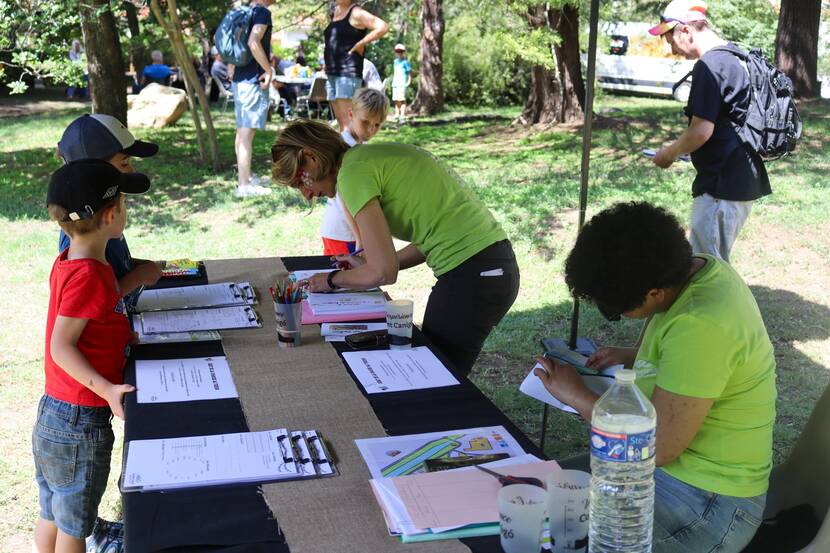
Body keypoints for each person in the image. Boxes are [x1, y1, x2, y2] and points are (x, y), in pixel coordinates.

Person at [533, 202, 775, 552]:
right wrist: (637, 354)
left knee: (553, 536)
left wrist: (577, 396)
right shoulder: (697, 269)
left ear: (655, 293)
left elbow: (657, 447)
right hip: (674, 480)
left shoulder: (700, 325)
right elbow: (700, 359)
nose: (615, 313)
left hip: (707, 500)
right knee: (531, 495)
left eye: (616, 310)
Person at [271, 120, 519, 375]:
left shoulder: (352, 173)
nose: (306, 194)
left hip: (474, 276)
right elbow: (432, 238)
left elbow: (383, 273)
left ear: (311, 157)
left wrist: (331, 280)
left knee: (433, 376)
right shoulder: (366, 159)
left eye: (300, 181)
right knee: (437, 372)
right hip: (491, 266)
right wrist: (371, 265)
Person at [35, 159, 150, 553]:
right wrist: (106, 389)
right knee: (74, 527)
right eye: (124, 203)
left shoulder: (71, 262)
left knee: (52, 513)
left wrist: (118, 336)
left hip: (55, 414)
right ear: (112, 215)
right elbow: (61, 345)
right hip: (79, 421)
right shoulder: (89, 274)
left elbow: (90, 321)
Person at [649, 0, 769, 262]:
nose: (672, 50)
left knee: (707, 267)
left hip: (721, 185)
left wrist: (669, 153)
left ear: (686, 31)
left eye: (670, 41)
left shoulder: (709, 65)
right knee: (714, 263)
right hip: (741, 178)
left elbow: (701, 131)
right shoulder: (734, 57)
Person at [57, 114, 163, 305]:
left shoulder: (99, 215)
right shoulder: (80, 234)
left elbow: (110, 267)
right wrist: (137, 277)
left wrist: (139, 266)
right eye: (124, 163)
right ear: (94, 168)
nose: (131, 170)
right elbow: (90, 298)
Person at [320, 88, 389, 256]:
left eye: (377, 125)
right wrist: (361, 238)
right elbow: (345, 198)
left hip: (349, 233)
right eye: (365, 122)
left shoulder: (360, 147)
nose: (371, 130)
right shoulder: (345, 149)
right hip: (343, 234)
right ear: (351, 114)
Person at [228, 0, 274, 198]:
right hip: (252, 81)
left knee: (242, 133)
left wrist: (231, 69)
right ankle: (244, 186)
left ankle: (246, 177)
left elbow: (233, 44)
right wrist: (268, 70)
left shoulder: (242, 12)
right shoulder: (261, 12)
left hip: (239, 80)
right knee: (246, 134)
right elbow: (253, 42)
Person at [324, 0, 388, 130]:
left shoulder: (356, 12)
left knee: (349, 123)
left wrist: (361, 43)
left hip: (347, 74)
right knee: (342, 124)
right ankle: (345, 144)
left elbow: (382, 27)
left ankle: (356, 144)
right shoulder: (336, 11)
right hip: (332, 73)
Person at [391, 43, 412, 125]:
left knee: (402, 99)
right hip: (395, 83)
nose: (399, 53)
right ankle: (397, 114)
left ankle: (402, 115)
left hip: (402, 83)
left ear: (403, 52)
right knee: (396, 99)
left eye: (401, 51)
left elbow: (409, 73)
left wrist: (409, 81)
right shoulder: (395, 62)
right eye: (397, 51)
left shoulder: (405, 62)